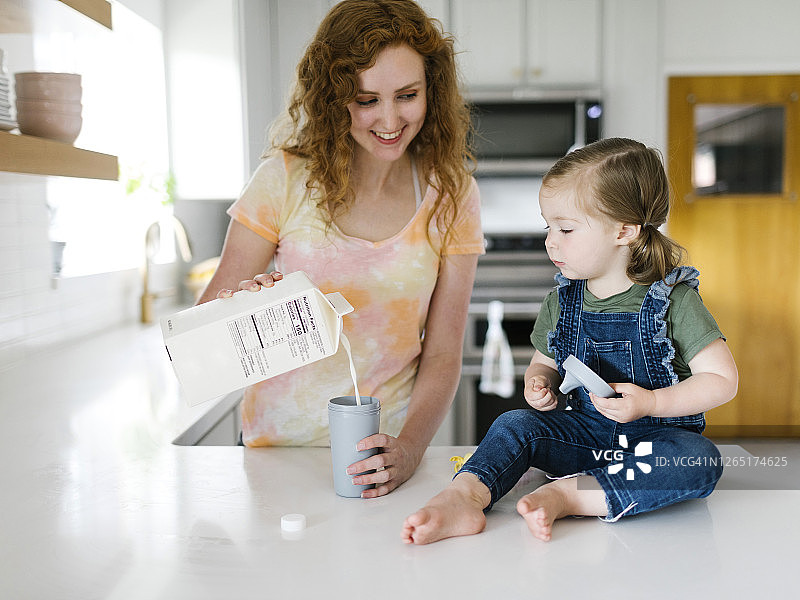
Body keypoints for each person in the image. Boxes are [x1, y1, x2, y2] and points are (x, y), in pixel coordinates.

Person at [197, 0, 483, 498]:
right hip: (273, 460)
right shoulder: (283, 180)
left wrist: (410, 450)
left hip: (382, 459)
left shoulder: (453, 194)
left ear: (430, 92)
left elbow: (442, 354)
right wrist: (252, 310)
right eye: (365, 100)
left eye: (407, 95)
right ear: (333, 99)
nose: (390, 119)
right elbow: (203, 347)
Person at [402, 137, 739, 543]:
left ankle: (569, 494)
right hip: (585, 437)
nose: (550, 241)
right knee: (515, 424)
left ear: (624, 231)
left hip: (656, 442)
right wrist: (538, 381)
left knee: (698, 460)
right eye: (549, 226)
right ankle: (465, 496)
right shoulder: (562, 301)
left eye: (566, 229)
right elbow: (543, 361)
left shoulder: (674, 301)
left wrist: (652, 403)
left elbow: (722, 380)